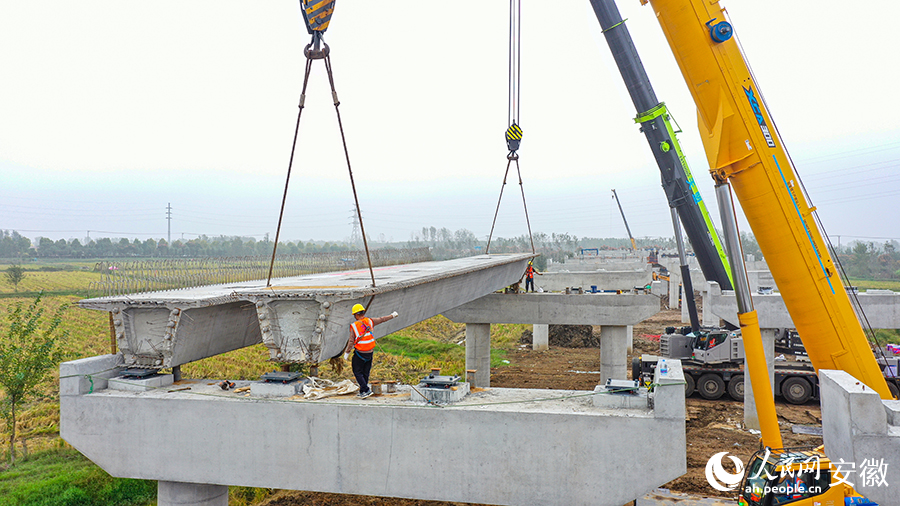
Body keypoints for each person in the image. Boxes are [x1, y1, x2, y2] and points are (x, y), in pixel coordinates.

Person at [344, 303, 398, 398]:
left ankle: (366, 390)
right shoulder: (370, 321)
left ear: (356, 315)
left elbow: (351, 340)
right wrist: (392, 316)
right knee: (365, 372)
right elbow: (382, 319)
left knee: (357, 372)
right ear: (363, 313)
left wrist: (347, 352)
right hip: (370, 353)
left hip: (360, 353)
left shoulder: (355, 325)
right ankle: (362, 392)